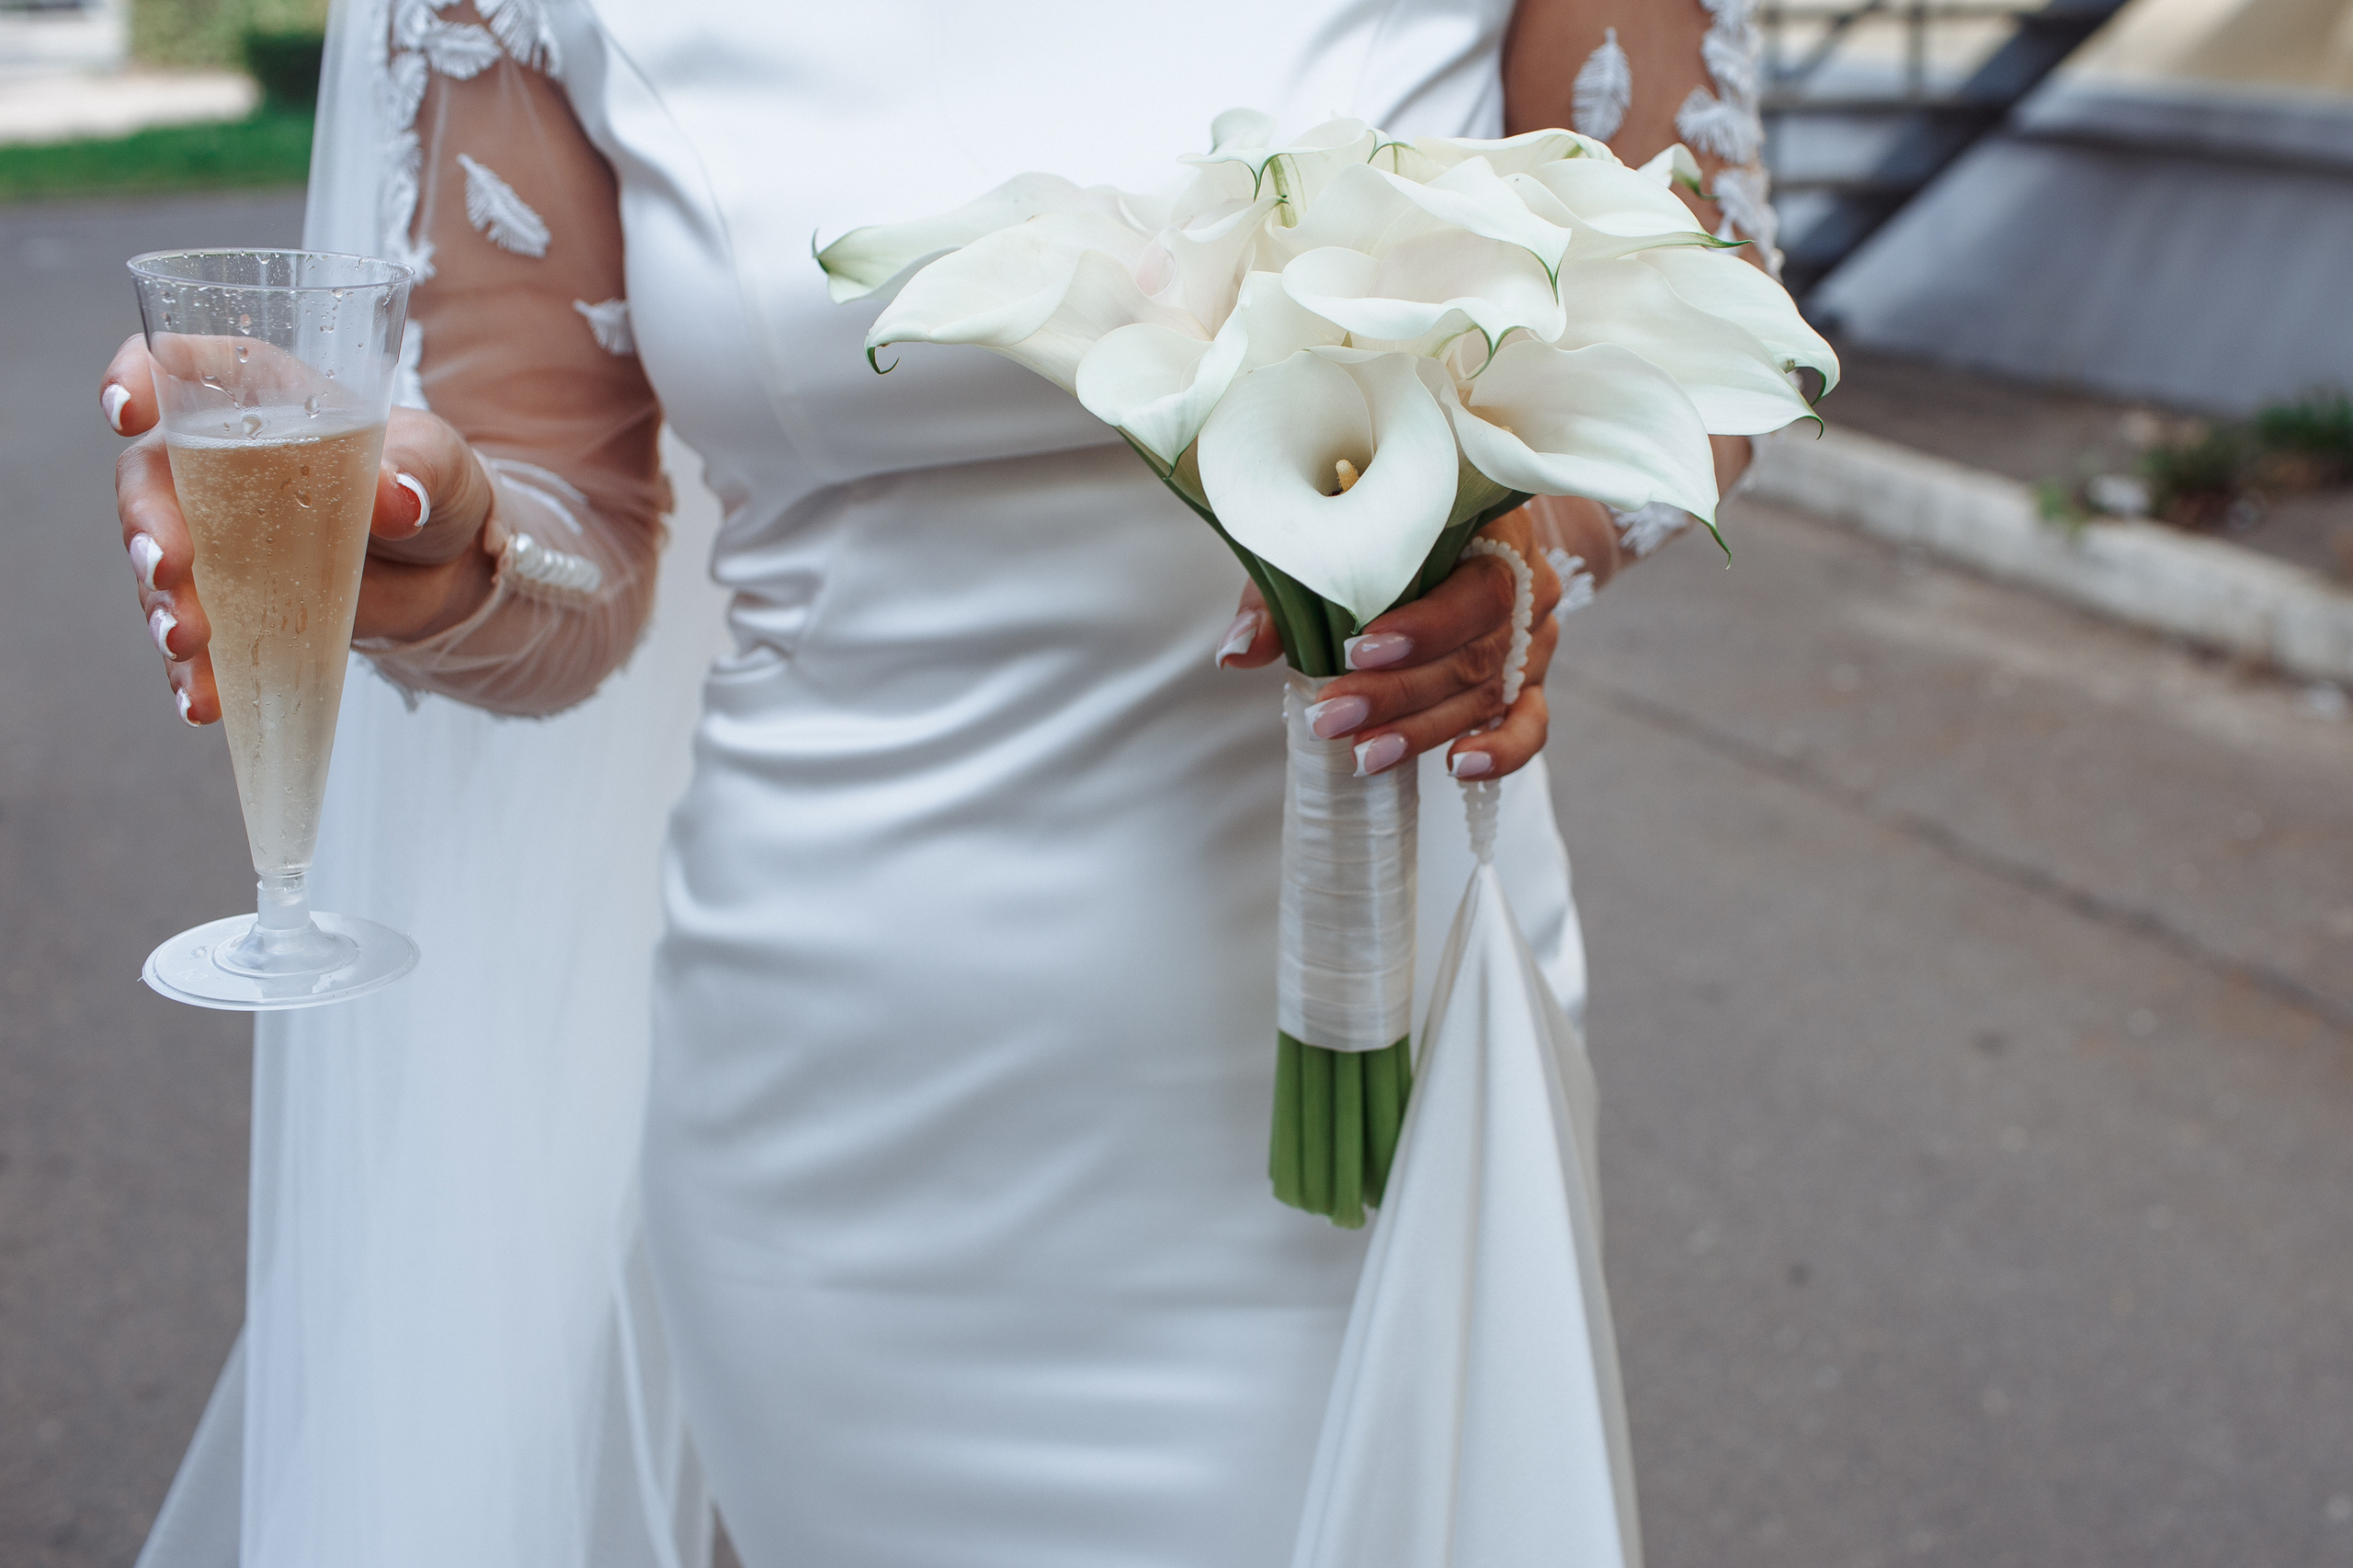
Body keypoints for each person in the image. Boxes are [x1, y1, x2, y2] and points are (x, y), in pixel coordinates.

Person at [105, 1, 1779, 1562]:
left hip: (1376, 1052)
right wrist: (459, 551)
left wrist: (1525, 559)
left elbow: (1702, 326)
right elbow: (578, 535)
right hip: (853, 1122)